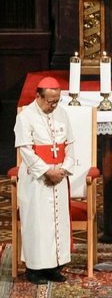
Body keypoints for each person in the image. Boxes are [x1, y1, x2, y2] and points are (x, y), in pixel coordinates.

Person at [14, 76, 75, 284]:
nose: (54, 105)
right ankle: (34, 269)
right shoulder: (26, 116)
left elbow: (70, 145)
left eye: (57, 100)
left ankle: (54, 267)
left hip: (59, 177)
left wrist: (64, 169)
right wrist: (46, 171)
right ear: (39, 97)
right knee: (38, 224)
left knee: (58, 223)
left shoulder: (62, 114)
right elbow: (26, 150)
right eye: (50, 101)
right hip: (37, 179)